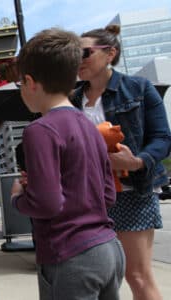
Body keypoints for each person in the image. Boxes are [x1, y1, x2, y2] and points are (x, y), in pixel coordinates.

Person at [11, 28, 125, 300]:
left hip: (70, 255)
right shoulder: (90, 126)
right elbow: (108, 194)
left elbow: (47, 204)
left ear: (30, 81)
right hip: (108, 248)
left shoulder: (40, 130)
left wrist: (18, 198)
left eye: (19, 85)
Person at [71, 24, 171, 300]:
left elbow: (163, 138)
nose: (78, 60)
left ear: (110, 53)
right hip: (88, 197)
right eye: (74, 55)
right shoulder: (73, 99)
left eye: (85, 53)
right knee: (99, 274)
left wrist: (137, 161)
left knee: (137, 275)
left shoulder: (138, 88)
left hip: (130, 192)